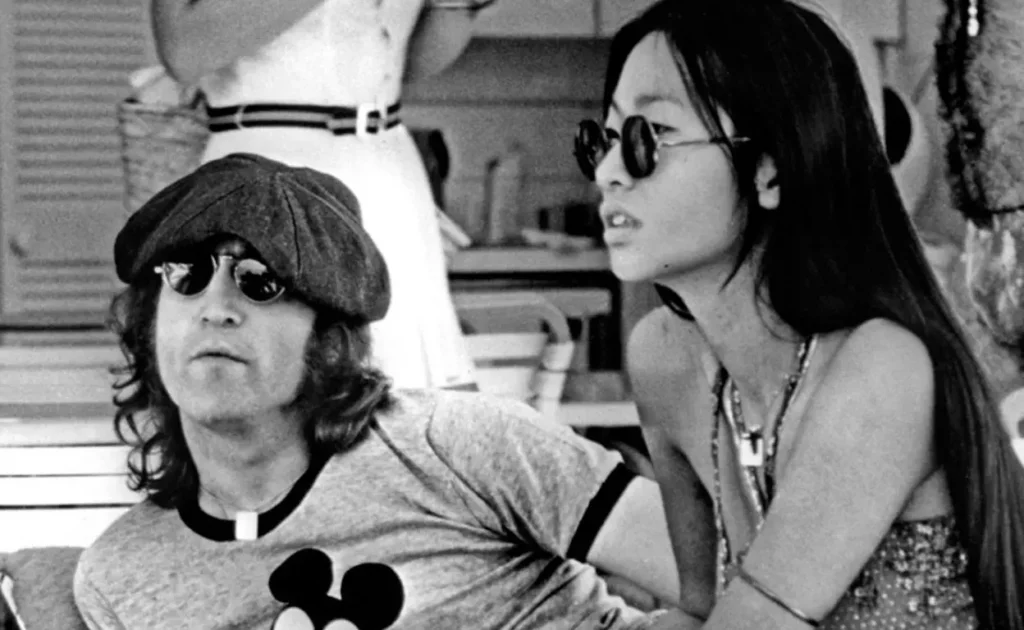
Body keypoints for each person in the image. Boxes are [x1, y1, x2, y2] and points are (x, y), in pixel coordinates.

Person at [72, 152, 708, 630]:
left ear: (328, 341)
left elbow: (731, 582)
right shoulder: (121, 577)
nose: (216, 307)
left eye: (260, 281)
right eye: (185, 275)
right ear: (148, 324)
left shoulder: (456, 445)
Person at [572, 0, 1024, 628]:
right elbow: (701, 610)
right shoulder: (663, 359)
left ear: (771, 169)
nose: (607, 172)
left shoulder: (881, 369)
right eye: (603, 139)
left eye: (649, 138)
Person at [149, 0, 481, 389]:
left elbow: (401, 64)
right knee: (292, 389)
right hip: (271, 173)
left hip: (389, 167)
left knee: (421, 387)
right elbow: (184, 52)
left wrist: (457, 7)